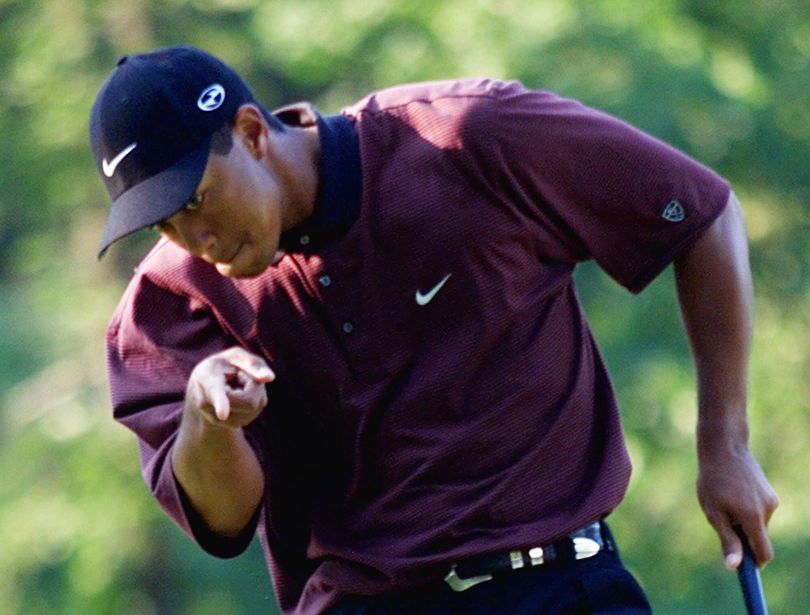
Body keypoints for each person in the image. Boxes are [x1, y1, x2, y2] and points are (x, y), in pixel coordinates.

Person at [89, 45, 778, 614]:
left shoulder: (468, 135)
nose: (194, 235)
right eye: (167, 220)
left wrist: (726, 443)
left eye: (198, 199)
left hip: (562, 586)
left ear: (251, 132)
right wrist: (210, 417)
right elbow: (223, 519)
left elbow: (700, 214)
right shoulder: (169, 301)